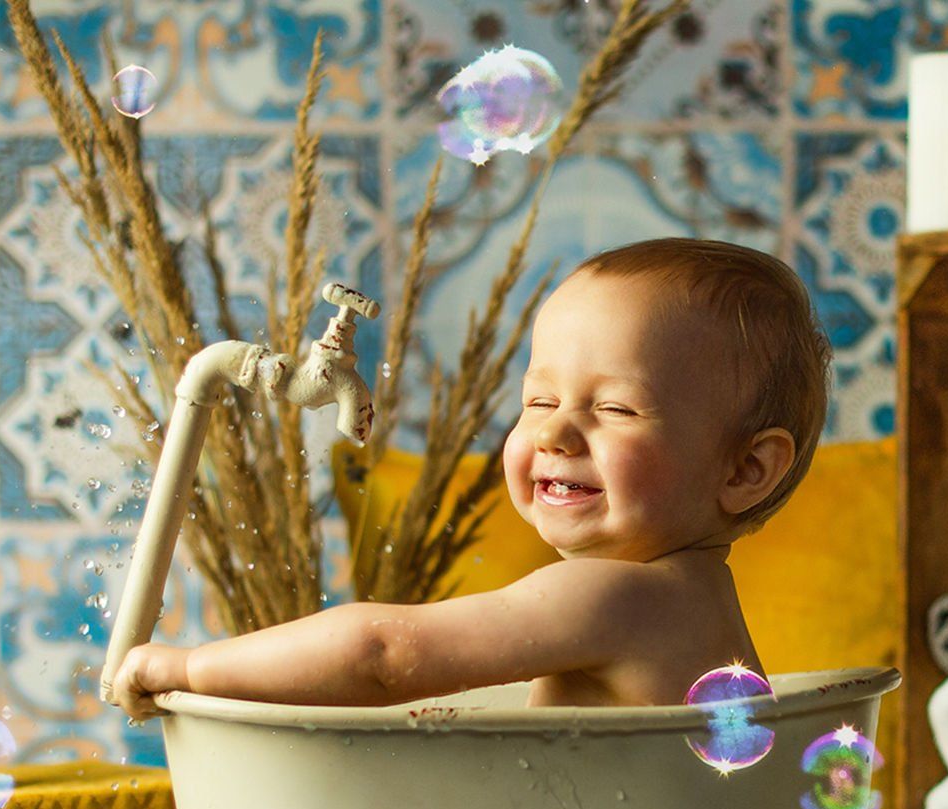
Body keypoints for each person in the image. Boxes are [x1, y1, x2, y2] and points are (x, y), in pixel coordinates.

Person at [110, 237, 831, 715]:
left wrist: (187, 667)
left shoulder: (622, 595)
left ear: (746, 468)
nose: (554, 430)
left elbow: (383, 654)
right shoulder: (690, 596)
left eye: (615, 407)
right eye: (540, 400)